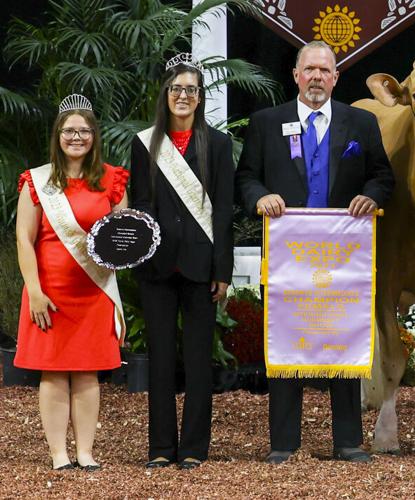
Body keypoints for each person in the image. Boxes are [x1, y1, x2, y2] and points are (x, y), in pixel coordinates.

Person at [235, 41, 395, 464]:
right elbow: (246, 177)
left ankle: (347, 441)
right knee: (288, 339)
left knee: (341, 336)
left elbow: (383, 177)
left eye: (325, 70)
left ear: (337, 77)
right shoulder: (267, 122)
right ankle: (283, 443)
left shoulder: (360, 123)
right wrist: (261, 197)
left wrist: (370, 197)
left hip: (343, 256)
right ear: (296, 75)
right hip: (290, 255)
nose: (317, 77)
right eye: (310, 70)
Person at [127, 54, 236, 470]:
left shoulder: (220, 144)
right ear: (166, 94)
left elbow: (224, 212)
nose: (183, 96)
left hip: (200, 267)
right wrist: (137, 253)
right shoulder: (144, 142)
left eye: (191, 89)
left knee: (196, 362)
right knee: (159, 360)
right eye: (176, 89)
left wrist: (222, 271)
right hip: (157, 265)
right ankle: (160, 447)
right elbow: (139, 202)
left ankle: (193, 447)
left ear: (200, 96)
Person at [15, 94, 129, 471]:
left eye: (83, 131)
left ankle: (85, 452)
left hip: (95, 291)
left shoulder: (113, 179)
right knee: (53, 371)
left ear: (94, 135)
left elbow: (123, 235)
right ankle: (59, 454)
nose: (76, 137)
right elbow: (24, 239)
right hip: (49, 293)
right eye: (69, 131)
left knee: (87, 370)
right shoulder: (37, 180)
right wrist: (34, 291)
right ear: (58, 135)